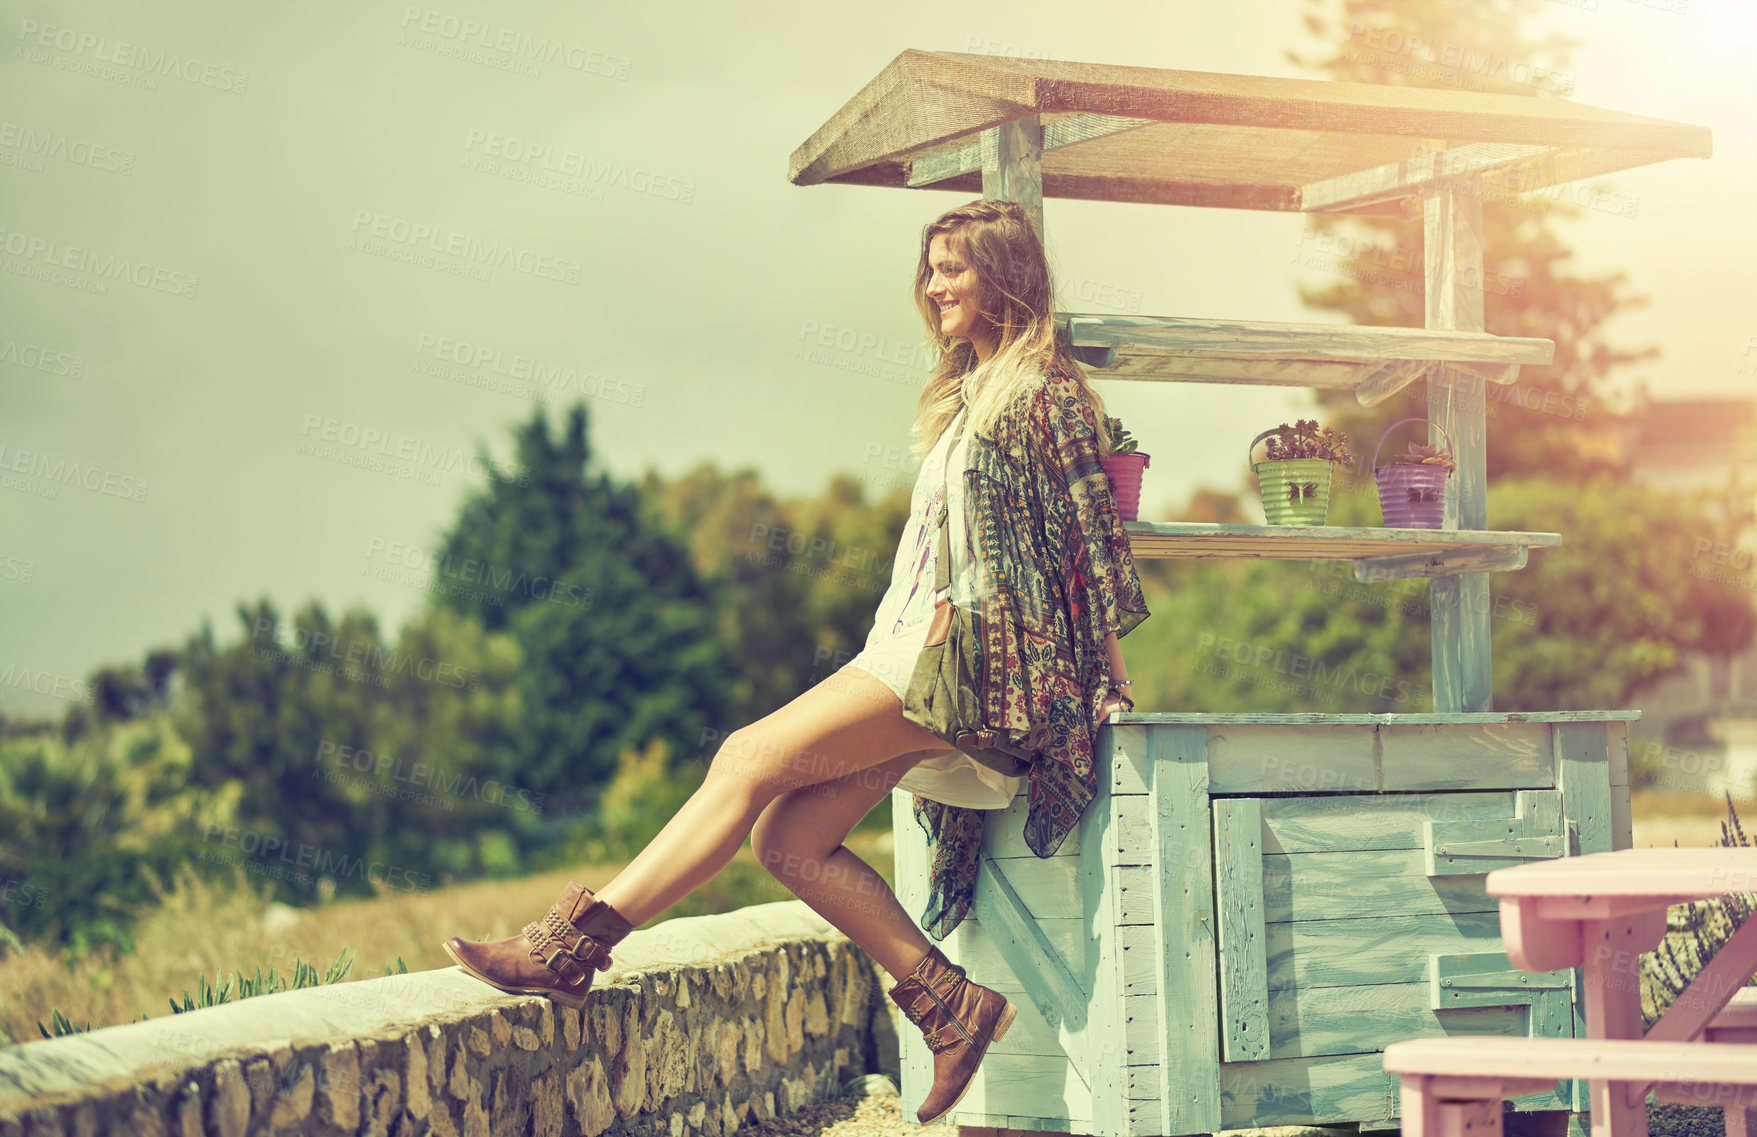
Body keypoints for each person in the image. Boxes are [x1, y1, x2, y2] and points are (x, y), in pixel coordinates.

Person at [441, 198, 1151, 1125]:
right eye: (928, 267)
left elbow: (1092, 543)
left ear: (1004, 275)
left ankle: (569, 948)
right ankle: (950, 1005)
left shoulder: (1045, 394)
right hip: (915, 646)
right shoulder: (968, 394)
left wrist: (1105, 678)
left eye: (955, 267)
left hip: (976, 661)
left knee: (743, 756)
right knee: (787, 840)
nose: (933, 284)